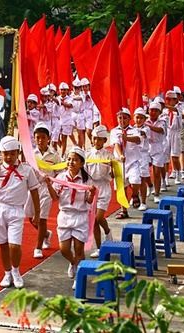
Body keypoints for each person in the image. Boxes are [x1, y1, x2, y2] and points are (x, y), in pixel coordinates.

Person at [0, 136, 40, 289]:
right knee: (3, 243)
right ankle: (7, 272)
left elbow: (34, 191)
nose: (9, 157)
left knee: (15, 245)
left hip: (16, 209)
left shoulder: (27, 170)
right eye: (5, 153)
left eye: (12, 153)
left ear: (17, 153)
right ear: (1, 154)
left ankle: (16, 271)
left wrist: (37, 213)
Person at [46, 146, 96, 290]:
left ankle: (79, 277)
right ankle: (74, 263)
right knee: (64, 249)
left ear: (81, 163)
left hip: (80, 216)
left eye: (75, 160)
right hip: (65, 216)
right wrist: (49, 185)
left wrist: (91, 193)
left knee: (79, 249)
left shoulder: (86, 180)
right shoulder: (61, 178)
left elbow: (89, 201)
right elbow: (55, 198)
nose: (71, 162)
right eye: (69, 159)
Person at [24, 122, 60, 259]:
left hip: (46, 189)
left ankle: (38, 247)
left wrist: (54, 184)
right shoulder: (31, 154)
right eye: (37, 137)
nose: (40, 140)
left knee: (42, 219)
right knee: (31, 217)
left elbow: (60, 171)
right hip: (33, 188)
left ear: (48, 138)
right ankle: (45, 234)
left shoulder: (54, 155)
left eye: (43, 137)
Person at [86, 126, 114, 258]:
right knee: (94, 221)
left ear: (104, 140)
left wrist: (116, 165)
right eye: (94, 138)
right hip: (92, 189)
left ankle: (108, 232)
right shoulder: (87, 154)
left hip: (104, 188)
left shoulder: (109, 155)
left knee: (99, 217)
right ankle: (99, 247)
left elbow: (114, 174)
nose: (96, 141)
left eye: (99, 139)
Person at [110, 108, 141, 219]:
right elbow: (116, 144)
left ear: (129, 119)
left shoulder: (135, 130)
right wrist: (120, 155)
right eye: (120, 118)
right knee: (121, 188)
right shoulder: (114, 131)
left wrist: (126, 137)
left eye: (124, 118)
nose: (122, 120)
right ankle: (124, 211)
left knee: (135, 180)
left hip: (133, 161)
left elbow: (138, 139)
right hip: (120, 162)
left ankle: (135, 195)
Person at [145, 102, 167, 203]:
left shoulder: (162, 121)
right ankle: (150, 185)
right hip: (146, 147)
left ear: (159, 112)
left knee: (157, 171)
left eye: (155, 111)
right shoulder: (145, 120)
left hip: (158, 147)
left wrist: (148, 127)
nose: (153, 112)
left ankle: (157, 194)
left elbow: (160, 130)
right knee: (143, 171)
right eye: (151, 110)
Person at [132, 108, 151, 209]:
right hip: (133, 156)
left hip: (143, 156)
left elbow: (142, 134)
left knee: (142, 179)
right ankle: (135, 195)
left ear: (144, 119)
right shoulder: (131, 128)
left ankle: (143, 202)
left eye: (141, 118)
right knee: (133, 179)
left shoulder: (146, 129)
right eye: (137, 117)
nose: (138, 120)